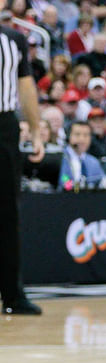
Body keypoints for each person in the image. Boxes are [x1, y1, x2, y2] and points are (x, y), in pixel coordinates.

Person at [0, 21, 40, 313]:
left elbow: (26, 87)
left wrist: (37, 130)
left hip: (3, 124)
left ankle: (12, 295)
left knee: (7, 211)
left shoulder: (13, 39)